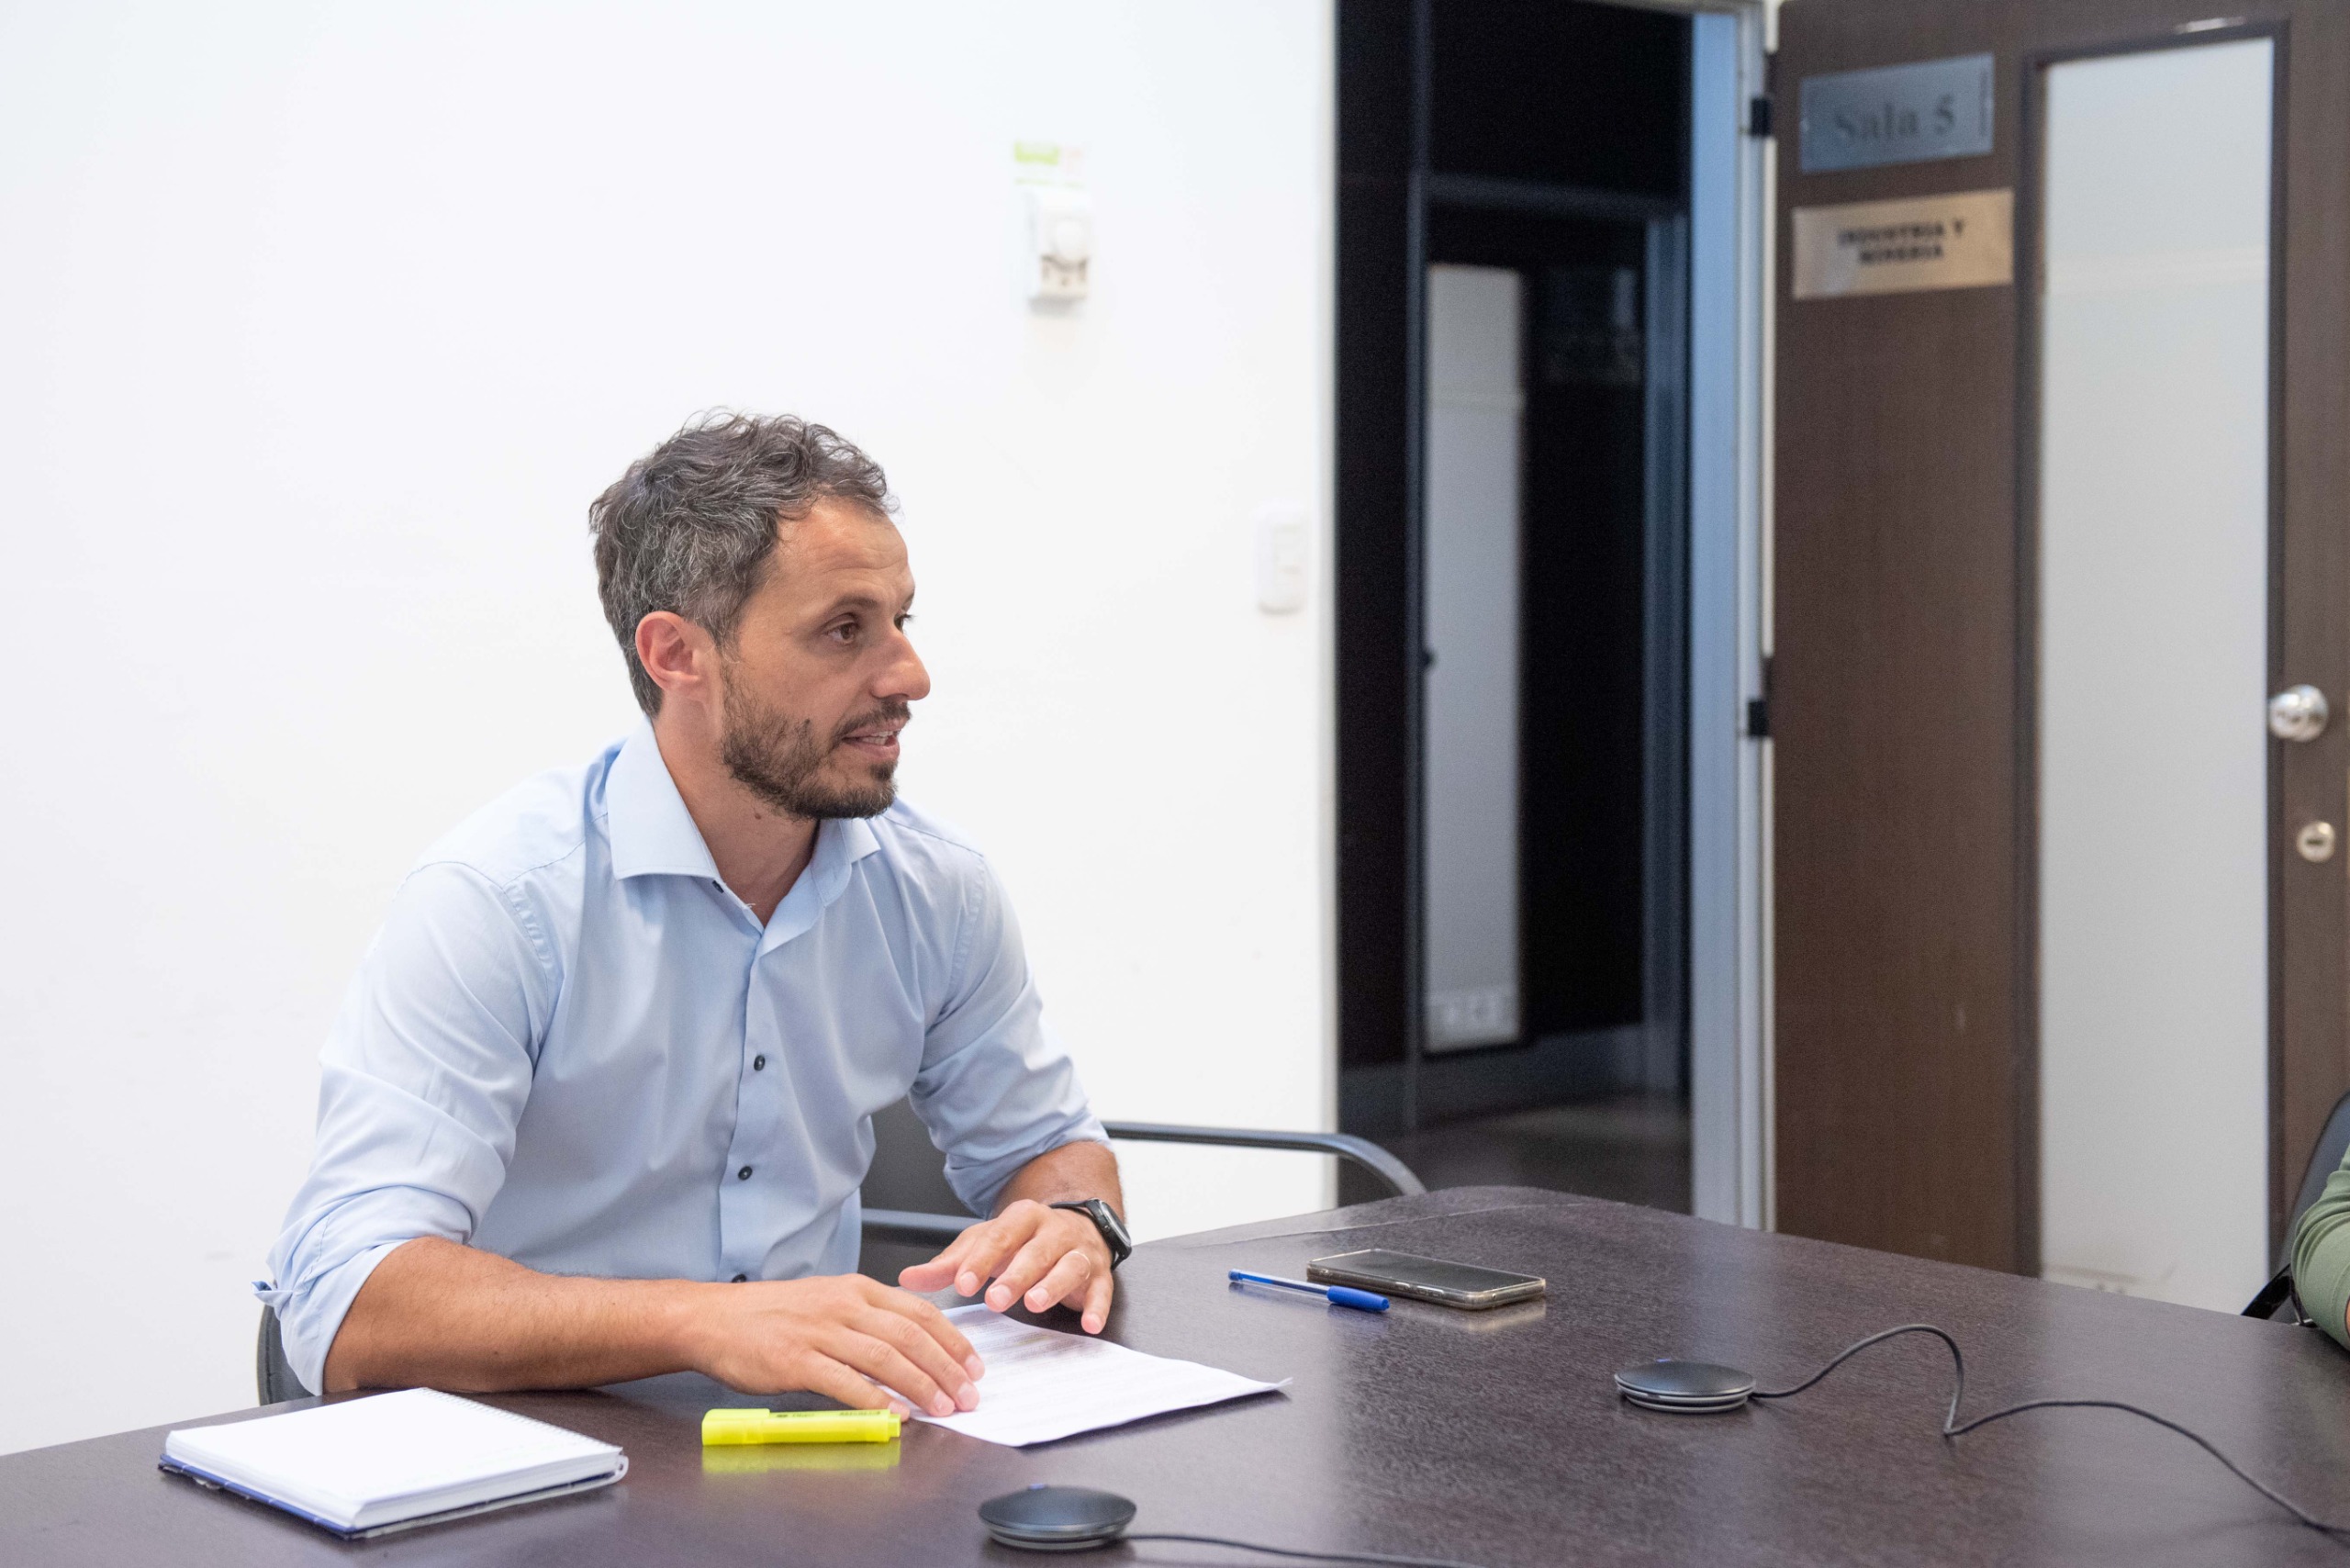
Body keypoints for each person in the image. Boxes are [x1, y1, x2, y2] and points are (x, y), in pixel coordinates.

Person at [258, 413, 1128, 1419]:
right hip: (536, 1456)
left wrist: (1071, 1220)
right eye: (845, 630)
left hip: (817, 1462)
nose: (909, 675)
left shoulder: (937, 889)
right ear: (678, 654)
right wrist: (703, 1322)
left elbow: (1050, 1147)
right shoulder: (499, 900)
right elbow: (347, 1295)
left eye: (901, 620)